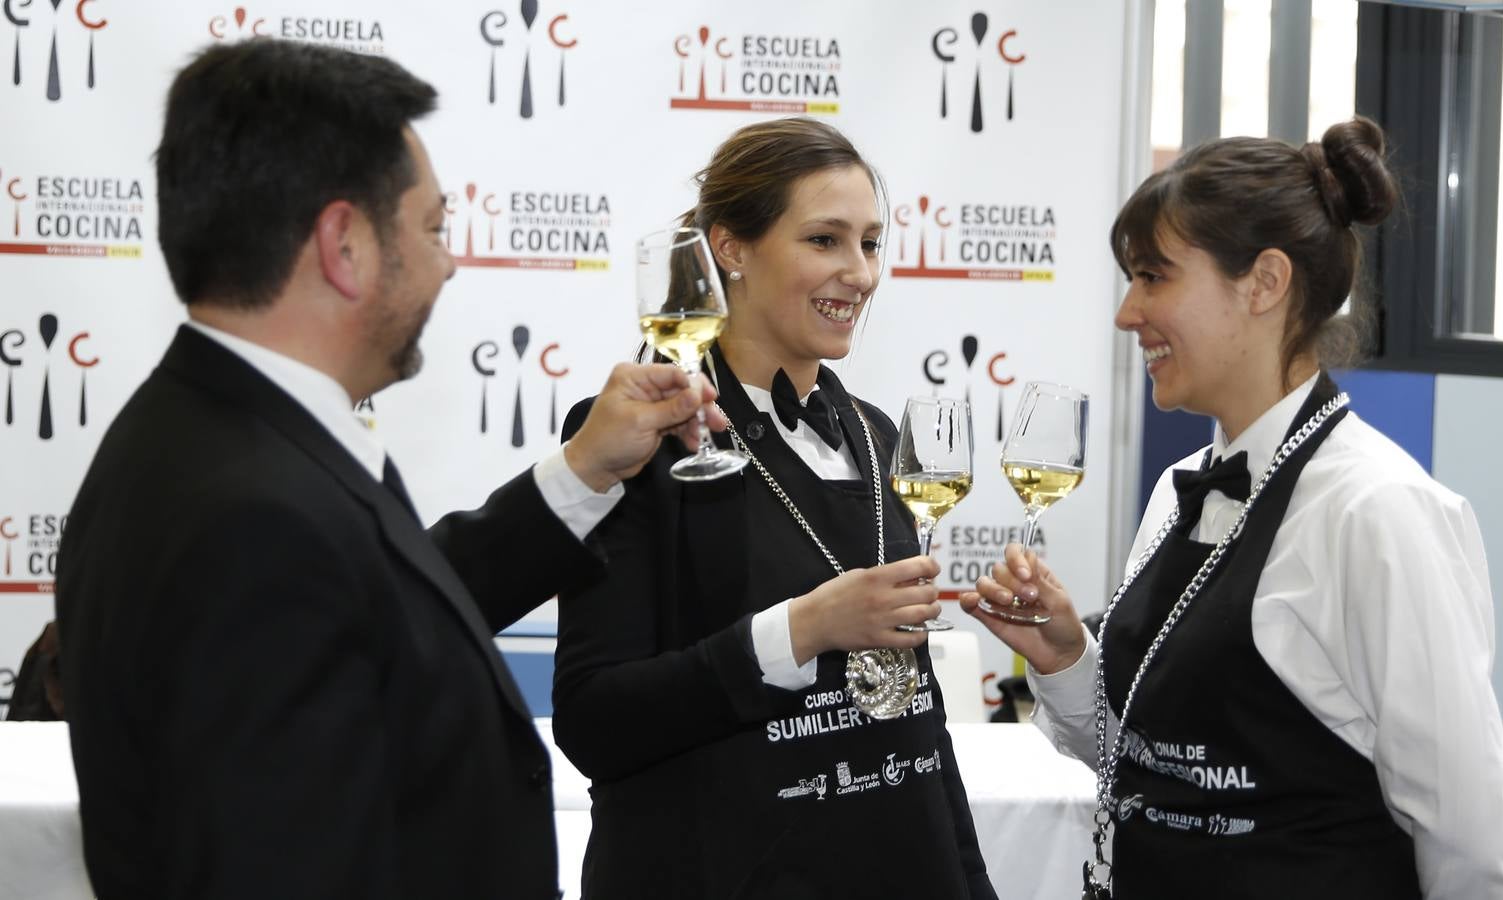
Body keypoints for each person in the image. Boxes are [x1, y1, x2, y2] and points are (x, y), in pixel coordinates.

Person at [54, 40, 722, 900]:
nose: (450, 261)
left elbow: (386, 613)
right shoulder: (249, 517)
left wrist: (582, 470)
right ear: (345, 245)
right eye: (434, 228)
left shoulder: (222, 439)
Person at [963, 117, 1503, 898]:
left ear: (1263, 282)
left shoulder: (1377, 513)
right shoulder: (1180, 487)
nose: (1127, 313)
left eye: (1153, 277)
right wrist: (1064, 659)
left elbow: (1468, 841)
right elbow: (1149, 771)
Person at [552, 117, 997, 899]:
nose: (860, 273)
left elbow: (915, 716)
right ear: (731, 248)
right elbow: (596, 722)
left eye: (869, 243)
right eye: (824, 240)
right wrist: (800, 630)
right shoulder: (633, 438)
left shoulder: (876, 434)